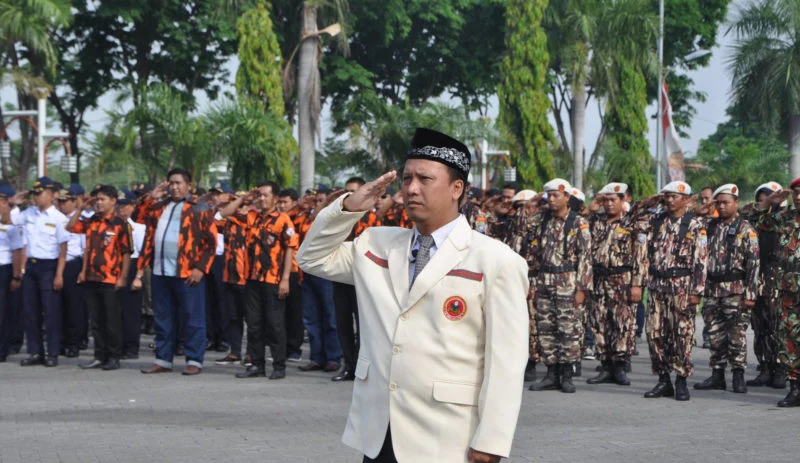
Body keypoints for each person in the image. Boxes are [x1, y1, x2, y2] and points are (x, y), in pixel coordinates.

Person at [298, 127, 529, 462]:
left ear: (456, 188)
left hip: (446, 437)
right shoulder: (376, 244)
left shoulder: (495, 261)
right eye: (407, 179)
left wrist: (491, 440)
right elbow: (311, 258)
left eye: (425, 178)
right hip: (380, 432)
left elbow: (506, 361)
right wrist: (348, 207)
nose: (412, 189)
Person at [134, 168, 218, 376]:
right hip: (161, 271)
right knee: (163, 318)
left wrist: (200, 268)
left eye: (179, 183)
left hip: (187, 273)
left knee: (192, 318)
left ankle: (194, 360)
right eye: (171, 183)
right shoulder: (159, 207)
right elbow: (136, 217)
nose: (174, 187)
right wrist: (150, 197)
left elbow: (211, 242)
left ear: (189, 186)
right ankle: (163, 359)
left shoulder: (199, 208)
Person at [634, 181, 708, 401]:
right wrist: (638, 283)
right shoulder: (655, 221)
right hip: (657, 286)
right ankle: (663, 380)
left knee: (681, 335)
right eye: (666, 196)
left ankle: (681, 380)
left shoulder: (695, 224)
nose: (669, 199)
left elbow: (701, 259)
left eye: (674, 196)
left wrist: (697, 290)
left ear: (686, 199)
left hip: (681, 287)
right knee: (654, 333)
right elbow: (635, 233)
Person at [221, 181, 298, 380]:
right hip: (253, 279)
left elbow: (290, 248)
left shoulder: (283, 220)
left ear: (275, 198)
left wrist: (286, 279)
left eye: (266, 195)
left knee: (274, 324)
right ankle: (257, 365)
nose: (262, 199)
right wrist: (243, 198)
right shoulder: (251, 217)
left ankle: (279, 366)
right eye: (260, 195)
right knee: (254, 324)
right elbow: (225, 213)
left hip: (273, 279)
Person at [527, 179, 592, 394]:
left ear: (567, 197)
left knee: (568, 329)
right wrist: (537, 201)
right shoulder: (543, 219)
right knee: (546, 328)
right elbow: (524, 223)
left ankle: (566, 374)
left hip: (568, 280)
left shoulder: (578, 222)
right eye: (549, 196)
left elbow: (586, 258)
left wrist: (582, 288)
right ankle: (551, 373)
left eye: (555, 195)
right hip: (545, 280)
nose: (551, 200)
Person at [692, 184, 759, 394]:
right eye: (718, 202)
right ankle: (717, 375)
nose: (721, 207)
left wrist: (750, 293)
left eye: (725, 202)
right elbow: (690, 221)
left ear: (736, 203)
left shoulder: (745, 228)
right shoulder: (708, 226)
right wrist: (704, 208)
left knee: (736, 336)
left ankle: (738, 375)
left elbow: (754, 263)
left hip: (735, 291)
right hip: (712, 290)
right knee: (714, 335)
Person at [3, 177, 70, 367]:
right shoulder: (28, 214)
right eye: (35, 194)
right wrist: (11, 204)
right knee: (30, 312)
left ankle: (52, 352)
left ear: (52, 195)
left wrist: (59, 274)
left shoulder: (59, 219)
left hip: (49, 266)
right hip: (30, 267)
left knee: (51, 312)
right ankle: (35, 352)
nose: (37, 197)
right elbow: (7, 220)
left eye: (40, 194)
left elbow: (63, 250)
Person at [66, 185, 132, 371]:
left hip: (111, 279)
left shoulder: (120, 224)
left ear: (113, 201)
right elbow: (70, 226)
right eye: (96, 199)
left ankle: (113, 356)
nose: (99, 203)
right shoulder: (92, 221)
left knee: (111, 321)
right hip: (91, 277)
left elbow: (127, 253)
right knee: (96, 321)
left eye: (103, 199)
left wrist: (123, 277)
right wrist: (80, 208)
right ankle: (99, 356)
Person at [585, 183, 641, 387]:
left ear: (622, 200)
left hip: (622, 279)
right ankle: (605, 365)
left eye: (613, 200)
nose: (608, 204)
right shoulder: (595, 222)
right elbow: (578, 227)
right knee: (599, 322)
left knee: (621, 323)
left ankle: (619, 366)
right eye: (605, 200)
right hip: (599, 279)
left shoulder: (632, 224)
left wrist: (637, 284)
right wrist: (592, 208)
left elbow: (640, 257)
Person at [753, 178, 800, 407]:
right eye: (796, 193)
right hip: (789, 289)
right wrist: (769, 202)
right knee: (789, 339)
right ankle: (795, 388)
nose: (799, 197)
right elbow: (756, 220)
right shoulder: (785, 218)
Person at [331, 177, 381, 382]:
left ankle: (362, 367)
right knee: (342, 324)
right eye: (347, 191)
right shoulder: (339, 218)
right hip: (341, 276)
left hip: (363, 278)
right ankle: (348, 365)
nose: (351, 195)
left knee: (363, 325)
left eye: (355, 191)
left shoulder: (373, 220)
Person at [745, 181, 787, 388]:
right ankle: (765, 367)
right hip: (757, 277)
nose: (767, 202)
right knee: (759, 325)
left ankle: (780, 370)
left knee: (777, 325)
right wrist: (765, 204)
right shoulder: (754, 219)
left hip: (778, 277)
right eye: (762, 199)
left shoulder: (786, 218)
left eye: (770, 198)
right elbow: (749, 216)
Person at [56, 184, 89, 358]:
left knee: (74, 307)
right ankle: (61, 341)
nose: (62, 205)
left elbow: (85, 249)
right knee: (58, 306)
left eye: (65, 202)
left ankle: (74, 343)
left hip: (73, 264)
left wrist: (83, 271)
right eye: (60, 202)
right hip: (57, 265)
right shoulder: (55, 219)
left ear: (74, 202)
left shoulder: (80, 222)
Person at [116, 189, 146, 359]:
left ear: (133, 206)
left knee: (131, 311)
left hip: (133, 266)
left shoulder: (140, 229)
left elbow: (143, 254)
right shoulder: (112, 226)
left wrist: (138, 276)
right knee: (115, 310)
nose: (121, 209)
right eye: (119, 205)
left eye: (125, 205)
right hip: (115, 267)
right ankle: (117, 345)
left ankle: (131, 347)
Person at [277, 188, 305, 363]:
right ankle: (283, 346)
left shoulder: (298, 218)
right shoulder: (277, 220)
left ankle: (294, 348)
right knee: (281, 312)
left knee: (295, 311)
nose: (281, 205)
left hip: (295, 269)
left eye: (284, 202)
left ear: (294, 202)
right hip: (277, 269)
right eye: (279, 202)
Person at [0, 184, 24, 362]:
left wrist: (16, 275)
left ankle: (2, 349)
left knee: (3, 310)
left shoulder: (12, 225)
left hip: (5, 268)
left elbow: (17, 251)